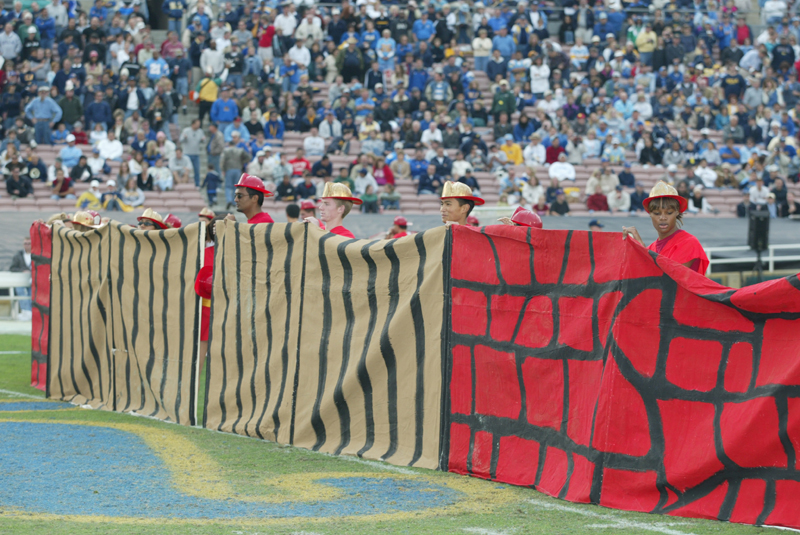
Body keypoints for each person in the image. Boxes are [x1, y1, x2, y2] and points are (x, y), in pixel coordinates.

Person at [622, 181, 709, 274]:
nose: (663, 217)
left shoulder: (689, 242)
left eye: (669, 213)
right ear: (650, 214)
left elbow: (668, 279)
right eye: (657, 213)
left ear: (677, 212)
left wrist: (643, 251)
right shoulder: (651, 248)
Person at [8, 236, 32, 320]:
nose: (27, 245)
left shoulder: (36, 255)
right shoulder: (18, 255)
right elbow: (12, 268)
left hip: (33, 281)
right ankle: (26, 311)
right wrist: (23, 271)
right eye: (25, 243)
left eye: (29, 243)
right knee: (21, 291)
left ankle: (30, 312)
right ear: (23, 244)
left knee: (32, 293)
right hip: (21, 280)